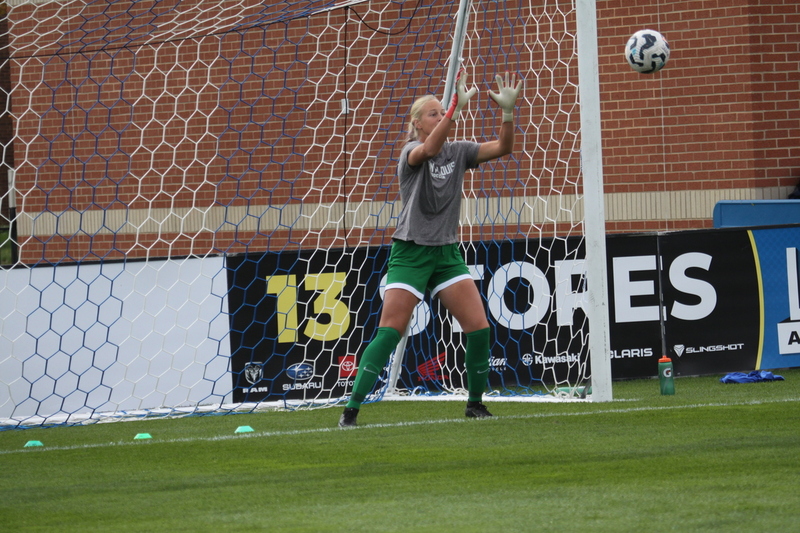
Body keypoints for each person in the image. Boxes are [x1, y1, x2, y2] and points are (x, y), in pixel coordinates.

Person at [338, 71, 523, 428]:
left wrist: (508, 113)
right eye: (433, 113)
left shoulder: (459, 151)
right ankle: (352, 408)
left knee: (479, 327)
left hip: (445, 252)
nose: (440, 115)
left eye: (442, 111)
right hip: (410, 252)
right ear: (417, 123)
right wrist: (453, 108)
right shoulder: (412, 151)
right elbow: (430, 149)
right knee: (391, 330)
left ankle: (475, 404)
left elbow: (503, 148)